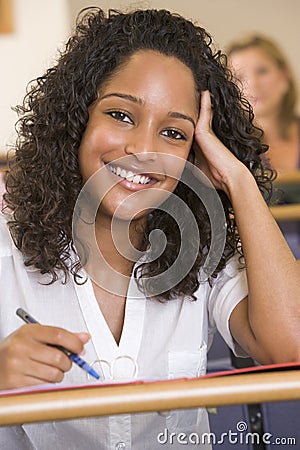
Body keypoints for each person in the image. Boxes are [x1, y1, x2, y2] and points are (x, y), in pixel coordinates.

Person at [0, 8, 299, 450]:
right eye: (121, 115)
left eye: (174, 133)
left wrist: (238, 180)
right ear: (78, 120)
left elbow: (291, 349)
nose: (143, 149)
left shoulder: (198, 251)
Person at [227, 34, 300, 258]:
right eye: (239, 77)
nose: (254, 84)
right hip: (259, 266)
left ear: (284, 76)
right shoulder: (228, 147)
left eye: (262, 71)